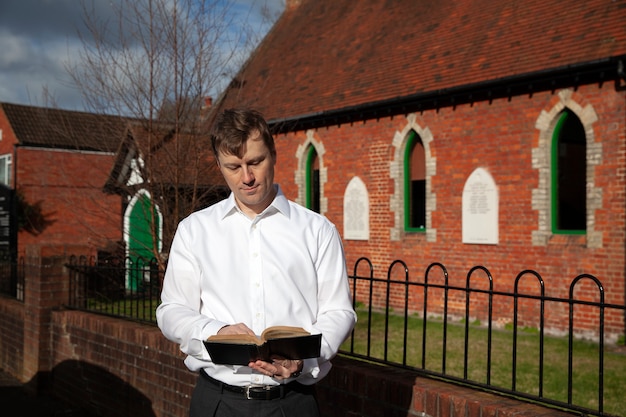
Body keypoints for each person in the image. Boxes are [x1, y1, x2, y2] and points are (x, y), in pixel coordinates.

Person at [156, 108, 357, 417]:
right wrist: (216, 331)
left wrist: (303, 360)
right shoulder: (194, 230)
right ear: (220, 165)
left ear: (273, 155)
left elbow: (339, 312)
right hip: (218, 401)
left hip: (293, 401)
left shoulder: (317, 231)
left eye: (255, 162)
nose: (246, 177)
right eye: (233, 166)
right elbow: (171, 311)